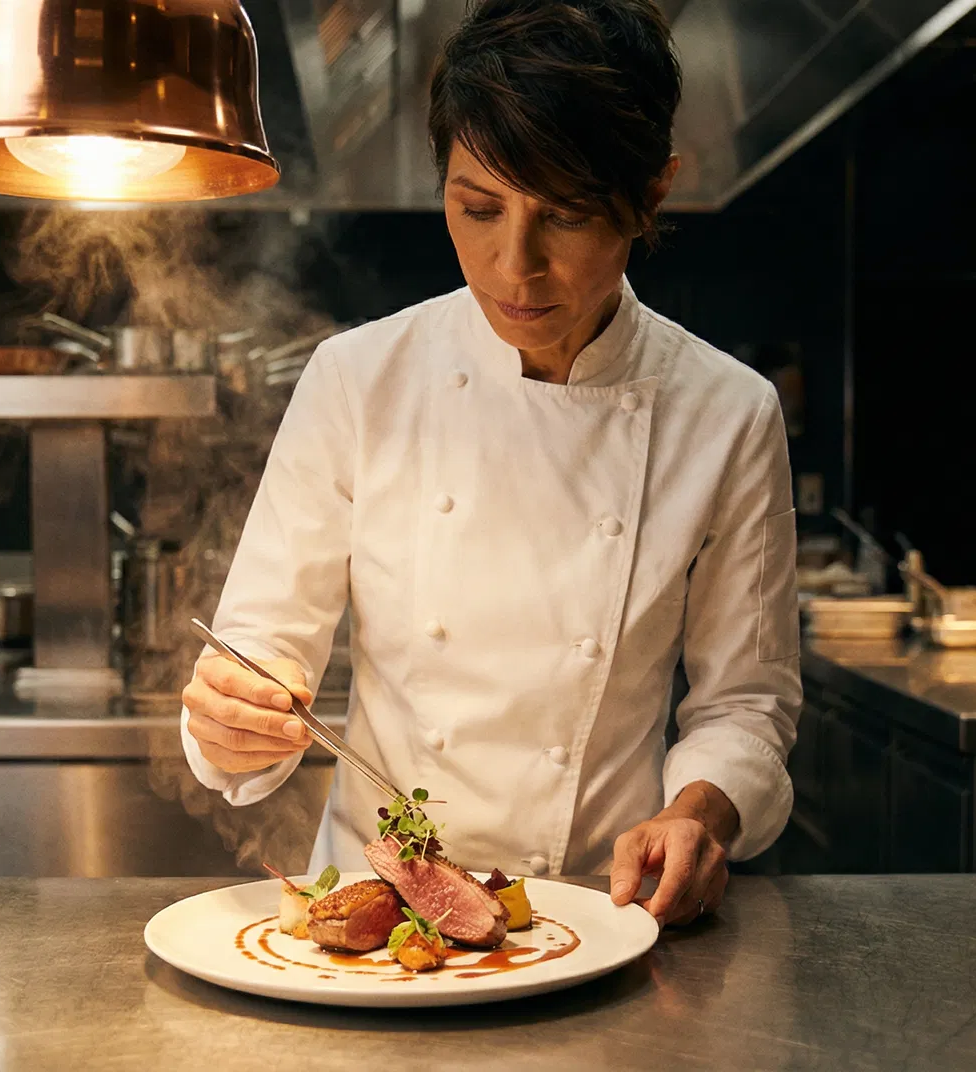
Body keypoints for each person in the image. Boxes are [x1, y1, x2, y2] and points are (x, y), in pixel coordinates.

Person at [181, 0, 799, 926]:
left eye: (569, 216)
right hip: (374, 917)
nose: (516, 266)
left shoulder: (728, 412)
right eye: (478, 207)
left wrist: (697, 811)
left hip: (600, 913)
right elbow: (259, 652)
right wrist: (237, 717)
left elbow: (744, 705)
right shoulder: (359, 378)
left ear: (653, 194)